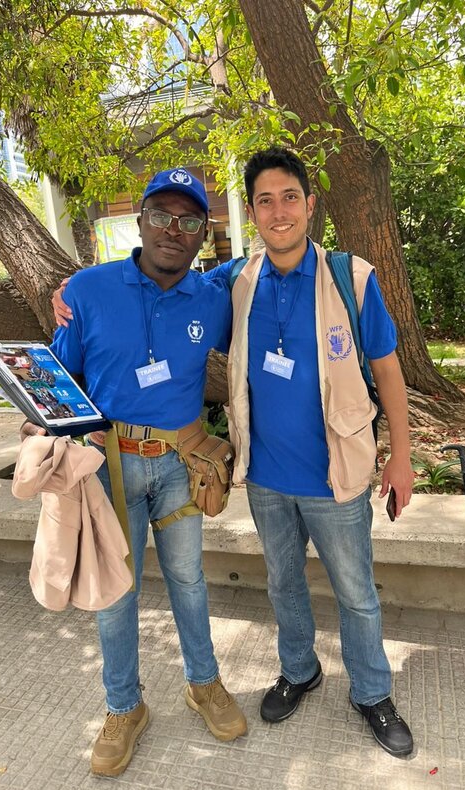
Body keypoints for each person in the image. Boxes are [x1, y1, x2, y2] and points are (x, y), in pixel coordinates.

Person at [53, 147, 414, 757]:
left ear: (309, 203)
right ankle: (277, 676)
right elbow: (71, 367)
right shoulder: (202, 285)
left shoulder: (332, 281)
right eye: (265, 201)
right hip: (234, 473)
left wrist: (401, 456)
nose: (278, 213)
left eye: (289, 198)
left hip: (309, 472)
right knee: (264, 588)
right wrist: (70, 292)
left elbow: (388, 368)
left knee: (345, 591)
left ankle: (368, 692)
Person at [28, 167, 247, 778]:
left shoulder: (212, 295)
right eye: (160, 216)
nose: (172, 230)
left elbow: (255, 279)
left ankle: (204, 684)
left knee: (189, 581)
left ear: (203, 233)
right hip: (109, 471)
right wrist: (50, 428)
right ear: (140, 220)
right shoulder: (89, 291)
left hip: (182, 464)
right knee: (114, 596)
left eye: (188, 221)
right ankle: (124, 707)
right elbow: (58, 377)